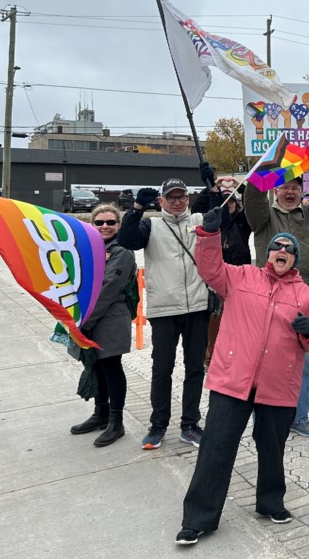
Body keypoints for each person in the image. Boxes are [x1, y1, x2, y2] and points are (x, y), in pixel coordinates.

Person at [175, 221, 309, 546]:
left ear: (295, 259)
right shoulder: (240, 277)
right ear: (267, 253)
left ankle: (271, 502)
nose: (282, 251)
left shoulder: (306, 295)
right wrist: (210, 235)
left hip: (277, 385)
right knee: (216, 448)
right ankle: (198, 518)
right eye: (277, 246)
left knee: (272, 448)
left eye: (289, 249)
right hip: (233, 380)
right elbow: (209, 267)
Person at [243, 148, 309, 438]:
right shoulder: (262, 217)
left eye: (295, 187)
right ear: (274, 189)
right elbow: (253, 197)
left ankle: (299, 416)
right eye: (284, 186)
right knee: (266, 357)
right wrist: (263, 170)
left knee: (304, 360)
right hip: (267, 294)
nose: (290, 192)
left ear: (301, 191)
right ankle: (266, 418)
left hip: (304, 292)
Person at [117, 178, 209, 450]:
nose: (178, 201)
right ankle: (158, 425)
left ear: (188, 199)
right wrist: (136, 209)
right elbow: (127, 240)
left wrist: (213, 186)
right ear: (161, 201)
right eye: (172, 197)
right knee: (162, 369)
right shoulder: (150, 225)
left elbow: (224, 217)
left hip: (197, 307)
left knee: (195, 369)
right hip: (164, 309)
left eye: (182, 196)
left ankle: (190, 424)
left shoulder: (199, 221)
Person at [69, 204, 137, 448]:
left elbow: (108, 289)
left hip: (110, 318)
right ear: (92, 225)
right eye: (100, 223)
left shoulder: (122, 253)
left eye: (110, 222)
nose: (105, 226)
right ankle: (101, 414)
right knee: (95, 365)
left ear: (119, 225)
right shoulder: (87, 250)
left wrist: (85, 322)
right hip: (89, 316)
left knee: (110, 366)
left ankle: (116, 423)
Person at [191, 169, 252, 368]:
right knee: (214, 318)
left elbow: (253, 204)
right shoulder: (212, 221)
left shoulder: (244, 222)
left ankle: (237, 355)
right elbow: (197, 208)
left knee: (238, 317)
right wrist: (212, 185)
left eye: (232, 201)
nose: (229, 205)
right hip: (216, 276)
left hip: (240, 274)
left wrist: (240, 185)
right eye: (226, 202)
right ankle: (209, 357)